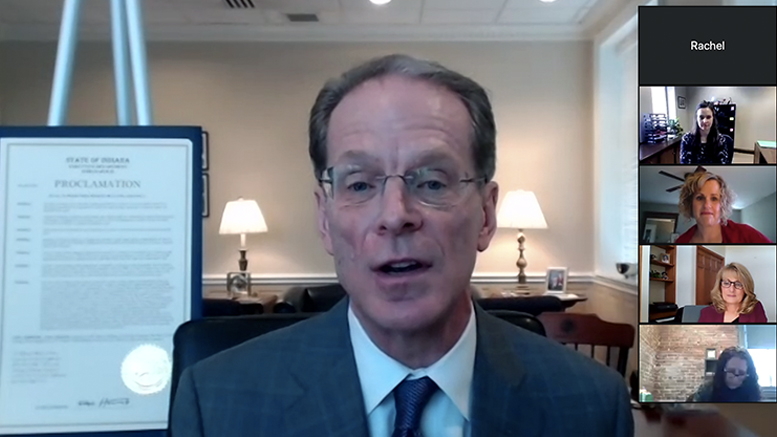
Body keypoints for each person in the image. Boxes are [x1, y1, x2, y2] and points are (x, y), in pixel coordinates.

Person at [170, 54, 633, 436]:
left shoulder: (592, 405)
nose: (395, 215)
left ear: (487, 215)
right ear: (324, 220)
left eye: (432, 182)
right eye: (358, 185)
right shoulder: (215, 405)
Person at [674, 171, 773, 244]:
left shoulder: (746, 234)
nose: (707, 205)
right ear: (690, 204)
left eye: (714, 198)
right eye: (699, 198)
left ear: (723, 204)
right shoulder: (681, 241)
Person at [698, 263, 768, 323]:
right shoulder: (706, 313)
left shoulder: (756, 308)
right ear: (720, 287)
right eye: (726, 283)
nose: (731, 289)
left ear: (746, 288)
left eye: (738, 284)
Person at [690, 347, 762, 402]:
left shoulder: (753, 391)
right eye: (731, 371)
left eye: (741, 373)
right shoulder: (707, 390)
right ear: (722, 370)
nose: (735, 376)